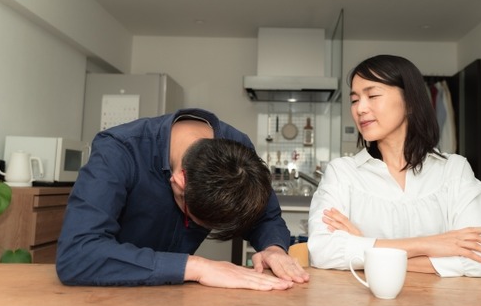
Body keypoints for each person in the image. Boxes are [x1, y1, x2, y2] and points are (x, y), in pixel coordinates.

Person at [56, 108, 309, 289]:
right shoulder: (117, 151)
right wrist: (198, 268)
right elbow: (78, 254)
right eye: (195, 220)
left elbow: (265, 217)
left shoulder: (236, 151)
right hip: (112, 288)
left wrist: (274, 248)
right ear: (179, 183)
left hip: (175, 297)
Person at [308, 55, 481, 277]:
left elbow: (480, 261)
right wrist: (429, 244)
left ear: (410, 102)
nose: (360, 108)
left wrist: (365, 248)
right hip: (363, 299)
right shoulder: (342, 173)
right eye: (355, 100)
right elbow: (321, 251)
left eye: (372, 95)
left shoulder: (455, 170)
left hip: (440, 300)